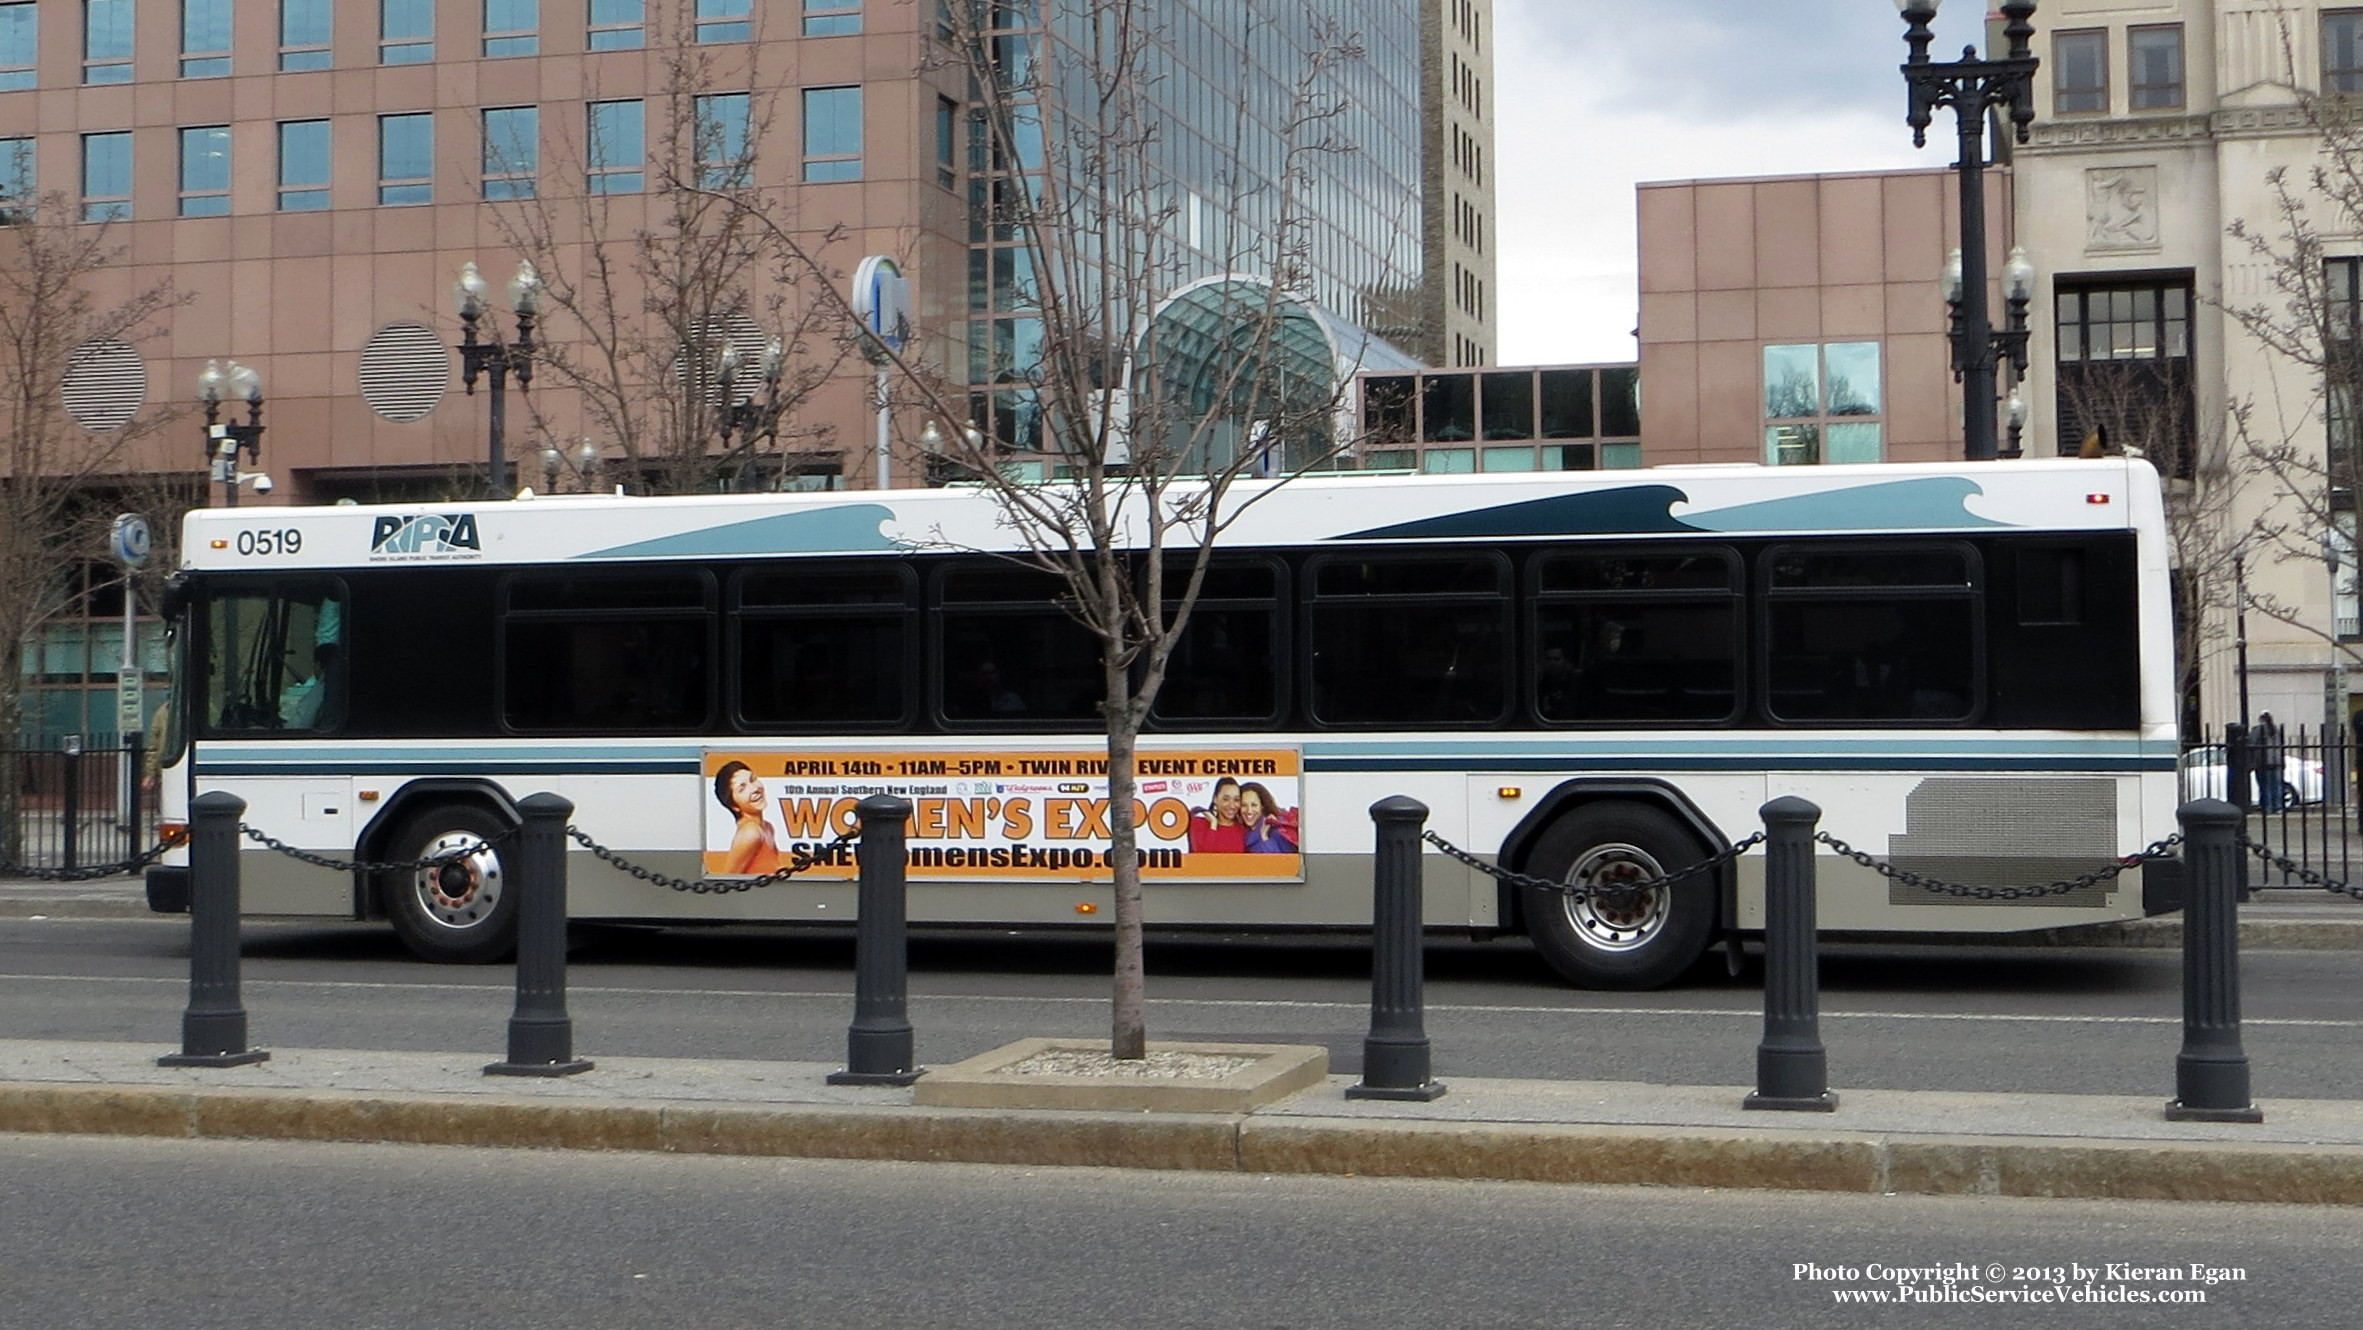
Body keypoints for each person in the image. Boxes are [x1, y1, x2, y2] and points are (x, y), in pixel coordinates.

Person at [713, 760, 783, 875]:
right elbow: (729, 880)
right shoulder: (750, 832)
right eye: (742, 788)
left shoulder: (767, 827)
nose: (754, 789)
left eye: (753, 779)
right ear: (734, 806)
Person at [1186, 776, 1246, 852]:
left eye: (1236, 800)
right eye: (1226, 799)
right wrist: (1213, 824)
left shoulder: (1242, 830)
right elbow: (1202, 855)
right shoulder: (1199, 823)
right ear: (1215, 799)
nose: (1232, 805)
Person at [1237, 782, 1297, 854]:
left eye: (1254, 805)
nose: (1249, 811)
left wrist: (1265, 838)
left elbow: (1284, 862)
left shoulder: (1278, 830)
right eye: (1244, 805)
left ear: (1262, 806)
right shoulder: (1240, 834)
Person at [2253, 711, 2285, 812]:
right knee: (2276, 786)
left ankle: (2268, 807)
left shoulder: (2258, 730)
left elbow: (2252, 744)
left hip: (2264, 761)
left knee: (2265, 786)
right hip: (2277, 761)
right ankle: (2278, 807)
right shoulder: (2276, 730)